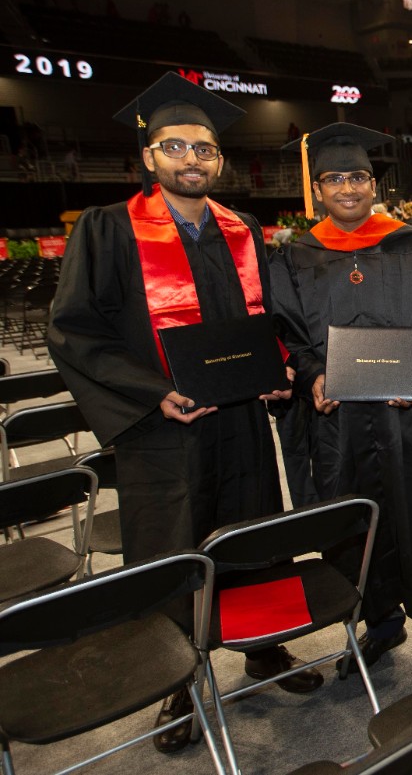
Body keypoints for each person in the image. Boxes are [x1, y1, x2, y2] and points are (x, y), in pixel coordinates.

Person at [47, 72, 318, 755]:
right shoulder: (108, 231)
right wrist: (149, 391)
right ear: (149, 156)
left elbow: (268, 319)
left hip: (241, 421)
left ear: (219, 159)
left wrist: (276, 366)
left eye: (204, 148)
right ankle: (179, 676)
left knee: (252, 531)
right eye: (176, 147)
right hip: (166, 430)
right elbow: (73, 330)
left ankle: (262, 647)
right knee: (175, 546)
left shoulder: (243, 228)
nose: (192, 159)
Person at [272, 123, 412, 678]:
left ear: (374, 184)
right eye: (334, 179)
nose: (347, 188)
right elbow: (287, 334)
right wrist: (312, 373)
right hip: (340, 424)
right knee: (356, 525)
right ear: (317, 189)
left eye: (358, 177)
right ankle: (380, 627)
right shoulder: (295, 257)